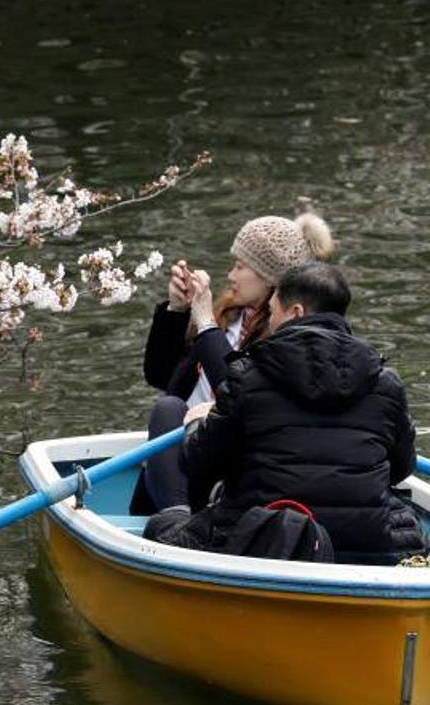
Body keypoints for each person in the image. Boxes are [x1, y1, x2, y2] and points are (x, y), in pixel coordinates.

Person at [142, 261, 430, 566]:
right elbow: (401, 467)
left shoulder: (248, 374)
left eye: (273, 310)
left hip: (255, 540)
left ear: (295, 312)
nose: (269, 321)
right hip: (365, 546)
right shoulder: (385, 382)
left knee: (161, 527)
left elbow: (201, 463)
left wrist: (196, 424)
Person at [133, 212, 336, 514]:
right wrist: (176, 311)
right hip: (192, 452)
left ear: (270, 279)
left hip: (236, 464)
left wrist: (204, 324)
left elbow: (239, 391)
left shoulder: (287, 337)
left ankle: (175, 522)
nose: (230, 276)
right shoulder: (227, 315)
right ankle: (172, 517)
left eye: (241, 266)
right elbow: (161, 377)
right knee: (169, 408)